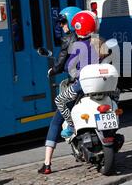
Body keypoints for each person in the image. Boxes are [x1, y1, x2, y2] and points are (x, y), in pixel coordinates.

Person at [38, 10, 102, 175]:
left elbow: (66, 66)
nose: (62, 26)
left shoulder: (73, 42)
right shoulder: (98, 40)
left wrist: (56, 70)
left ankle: (47, 163)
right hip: (100, 86)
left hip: (80, 85)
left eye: (63, 22)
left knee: (56, 116)